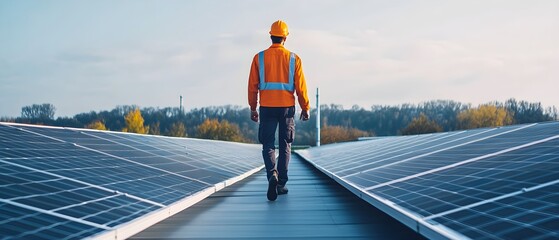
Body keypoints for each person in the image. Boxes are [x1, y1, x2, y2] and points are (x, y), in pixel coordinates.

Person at [248, 20, 310, 201]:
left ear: (271, 36)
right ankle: (281, 183)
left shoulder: (259, 58)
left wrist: (253, 107)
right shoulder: (294, 59)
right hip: (286, 109)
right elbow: (301, 87)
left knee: (267, 144)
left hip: (266, 107)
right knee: (285, 145)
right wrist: (305, 107)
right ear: (285, 37)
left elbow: (252, 86)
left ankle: (271, 175)